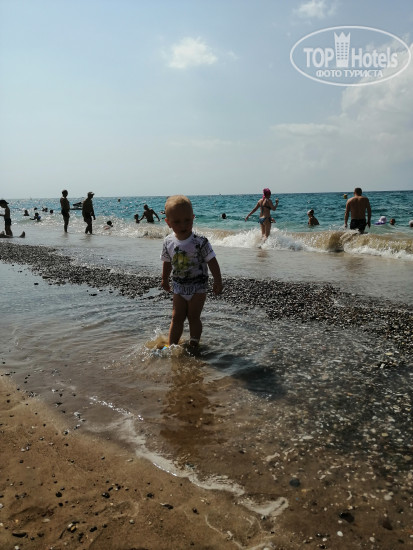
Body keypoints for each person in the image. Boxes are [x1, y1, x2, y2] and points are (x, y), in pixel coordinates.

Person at [161, 195, 223, 347]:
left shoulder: (200, 242)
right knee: (176, 317)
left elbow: (212, 261)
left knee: (193, 316)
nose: (183, 225)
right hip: (178, 286)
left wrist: (218, 280)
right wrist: (164, 279)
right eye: (177, 222)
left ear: (193, 218)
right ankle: (171, 346)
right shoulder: (168, 242)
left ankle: (194, 344)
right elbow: (167, 262)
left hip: (198, 287)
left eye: (187, 220)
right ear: (168, 222)